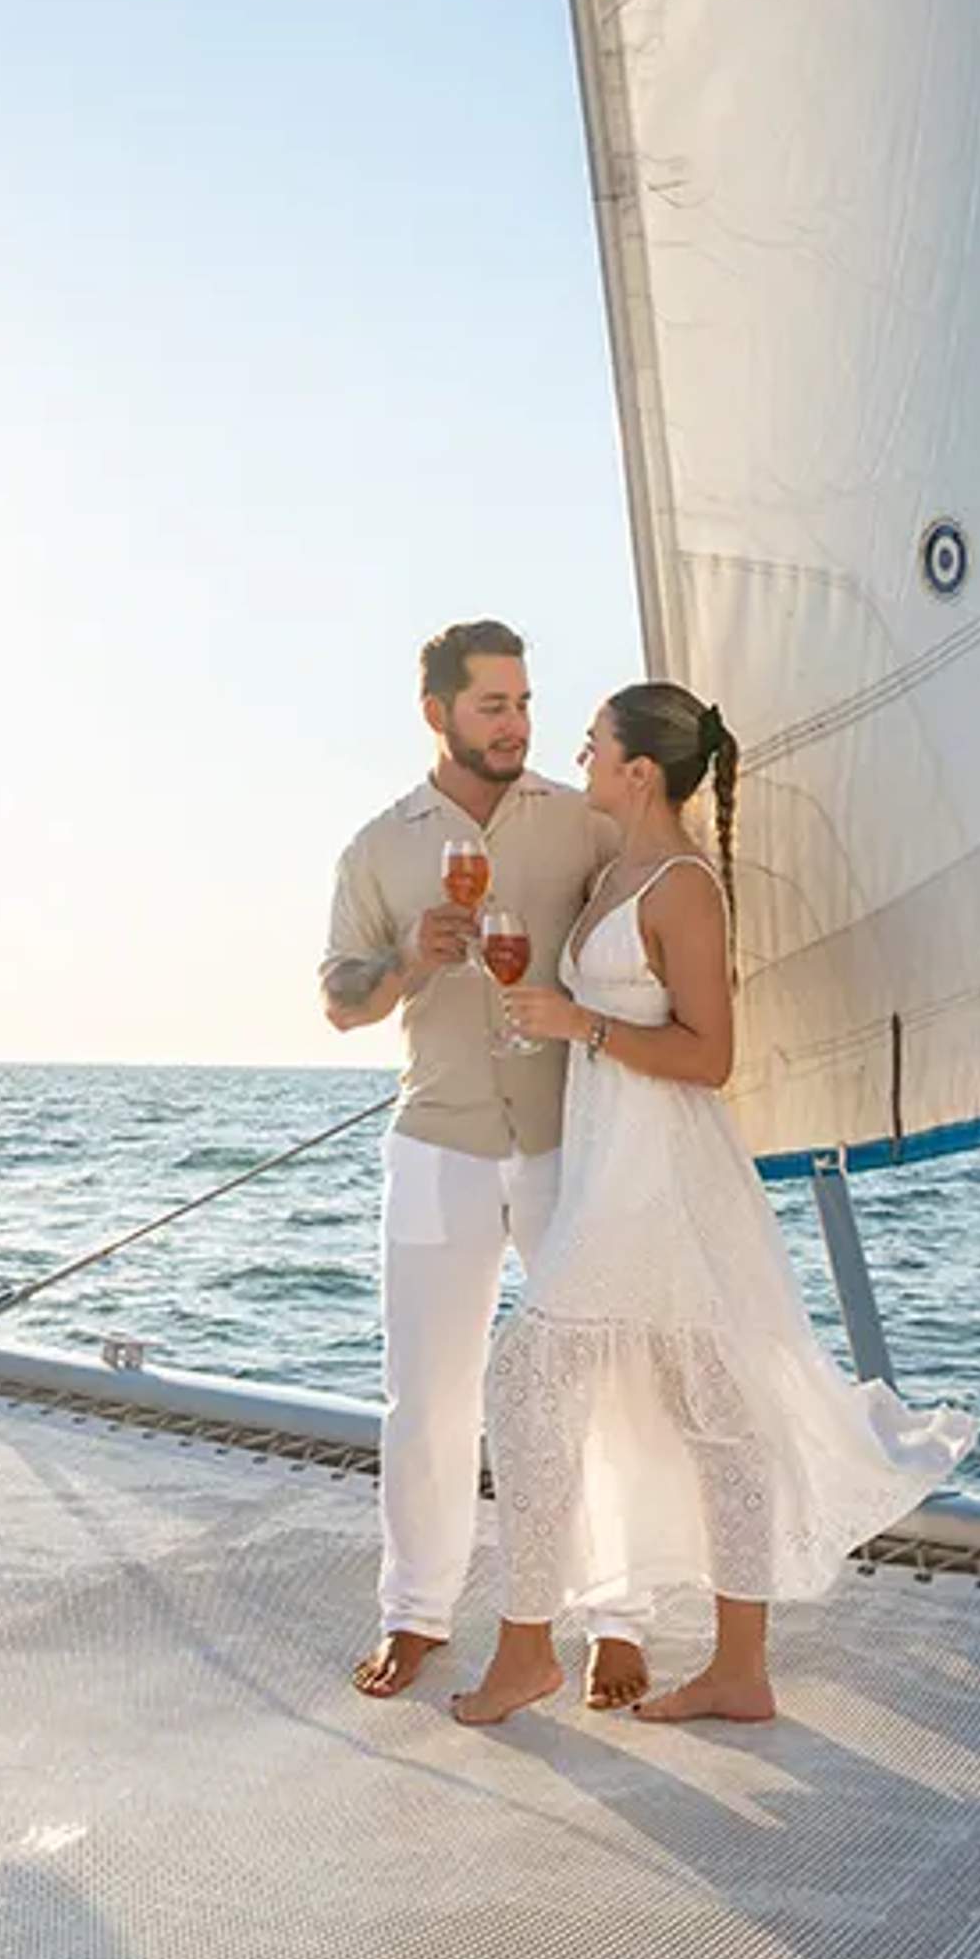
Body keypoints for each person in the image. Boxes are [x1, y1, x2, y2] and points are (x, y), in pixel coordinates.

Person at [456, 681, 972, 1726]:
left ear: (641, 771)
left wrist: (578, 1024)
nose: (582, 757)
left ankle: (528, 1651)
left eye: (595, 744)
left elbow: (711, 1056)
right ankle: (738, 1669)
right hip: (613, 1162)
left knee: (529, 1379)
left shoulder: (683, 885)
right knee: (714, 1414)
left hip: (658, 1173)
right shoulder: (617, 872)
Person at [320, 620, 651, 1706]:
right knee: (427, 1395)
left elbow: (652, 917)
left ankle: (615, 1617)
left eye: (524, 704)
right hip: (437, 1147)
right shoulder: (379, 846)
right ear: (438, 714)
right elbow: (340, 1002)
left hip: (566, 1141)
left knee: (596, 1386)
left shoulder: (581, 823)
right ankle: (416, 1613)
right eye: (493, 707)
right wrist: (407, 959)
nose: (516, 726)